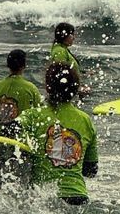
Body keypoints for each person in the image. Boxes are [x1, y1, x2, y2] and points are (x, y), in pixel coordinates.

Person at [19, 62, 98, 204]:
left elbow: (12, 147)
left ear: (48, 87)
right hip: (78, 196)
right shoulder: (86, 120)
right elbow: (91, 170)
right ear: (75, 89)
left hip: (43, 198)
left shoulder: (31, 117)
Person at [0, 49, 42, 138]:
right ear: (24, 66)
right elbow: (38, 117)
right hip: (21, 139)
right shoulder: (31, 88)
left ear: (7, 65)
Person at [50, 22, 90, 97]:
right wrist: (77, 90)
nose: (74, 38)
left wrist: (84, 74)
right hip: (65, 94)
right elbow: (61, 75)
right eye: (72, 35)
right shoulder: (60, 51)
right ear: (64, 35)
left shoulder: (63, 49)